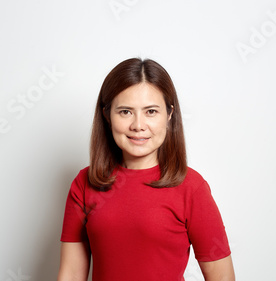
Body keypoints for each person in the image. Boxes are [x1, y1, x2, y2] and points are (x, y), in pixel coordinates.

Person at [57, 58, 235, 281]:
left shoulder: (192, 187)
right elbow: (71, 275)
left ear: (169, 114)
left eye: (151, 111)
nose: (138, 125)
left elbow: (222, 278)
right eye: (125, 112)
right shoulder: (84, 183)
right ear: (107, 114)